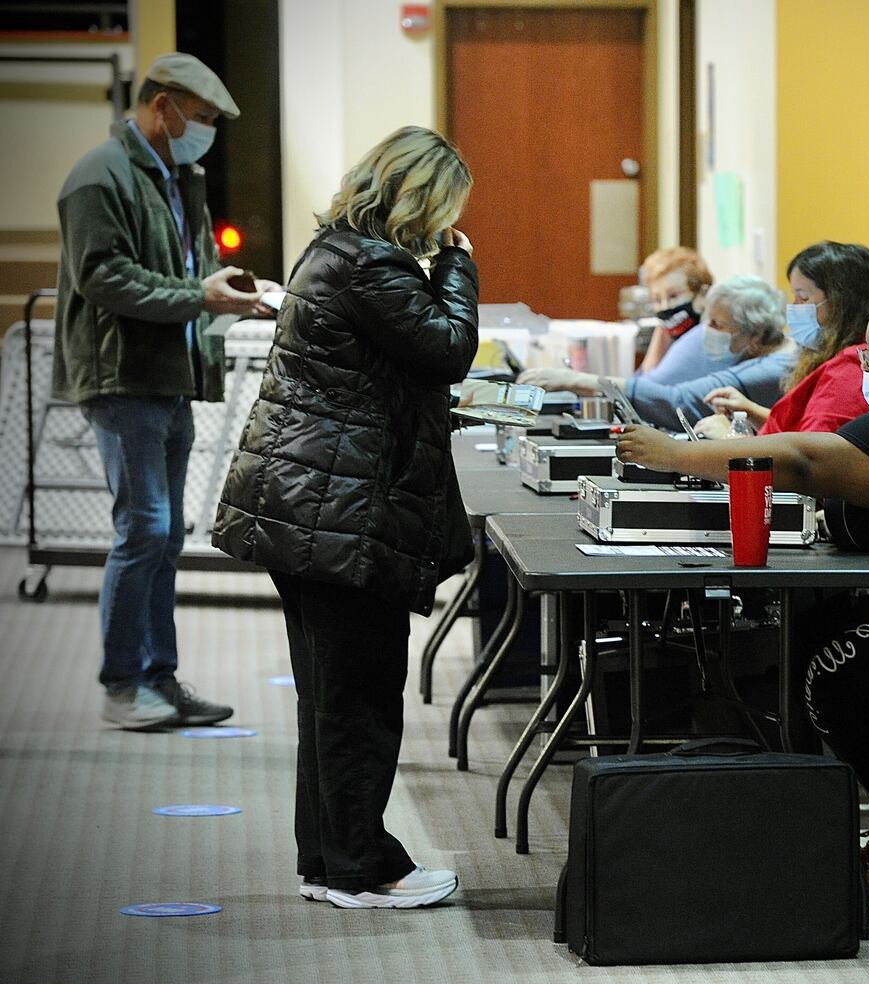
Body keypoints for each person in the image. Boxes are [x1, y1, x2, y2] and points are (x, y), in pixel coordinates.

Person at [614, 266, 869, 902]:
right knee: (802, 632)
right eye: (866, 350)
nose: (868, 365)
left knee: (834, 670)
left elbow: (804, 459)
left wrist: (670, 452)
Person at [212, 127, 478, 909]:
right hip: (341, 510)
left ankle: (330, 860)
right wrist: (460, 265)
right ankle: (365, 867)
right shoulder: (372, 264)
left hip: (309, 503)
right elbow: (447, 349)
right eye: (447, 210)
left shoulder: (333, 250)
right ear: (422, 199)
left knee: (331, 694)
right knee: (359, 697)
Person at [53, 52, 274, 732]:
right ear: (164, 106)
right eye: (201, 119)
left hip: (167, 375)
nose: (205, 131)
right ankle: (124, 686)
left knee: (164, 535)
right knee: (143, 528)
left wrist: (227, 289)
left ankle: (159, 679)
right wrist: (197, 296)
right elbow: (103, 278)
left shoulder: (179, 176)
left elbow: (190, 264)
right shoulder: (98, 176)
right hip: (123, 376)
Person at [519, 274, 792, 425]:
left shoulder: (771, 370)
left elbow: (677, 402)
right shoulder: (755, 351)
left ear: (754, 334)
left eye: (717, 325)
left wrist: (575, 380)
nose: (706, 332)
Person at [697, 241, 869, 437]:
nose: (794, 306)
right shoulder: (841, 358)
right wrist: (749, 411)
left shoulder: (848, 370)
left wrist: (732, 439)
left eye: (803, 298)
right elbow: (799, 428)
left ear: (840, 303)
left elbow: (809, 456)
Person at [636, 246, 723, 383]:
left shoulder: (714, 339)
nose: (665, 307)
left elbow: (646, 390)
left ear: (703, 294)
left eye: (673, 296)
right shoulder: (666, 336)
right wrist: (660, 339)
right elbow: (641, 383)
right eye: (657, 300)